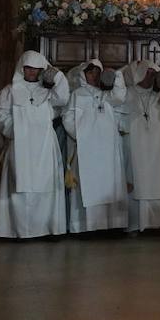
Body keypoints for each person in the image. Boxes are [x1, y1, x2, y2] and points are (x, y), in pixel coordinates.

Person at [0, 51, 70, 239]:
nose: (32, 72)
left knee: (45, 186)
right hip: (20, 146)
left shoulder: (48, 92)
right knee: (19, 186)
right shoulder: (10, 90)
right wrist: (14, 130)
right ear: (21, 68)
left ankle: (46, 228)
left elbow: (63, 99)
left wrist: (57, 76)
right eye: (28, 68)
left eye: (36, 68)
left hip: (44, 146)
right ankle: (18, 230)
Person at [63, 60, 129, 234]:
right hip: (86, 149)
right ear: (83, 74)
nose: (94, 76)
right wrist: (82, 136)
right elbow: (67, 118)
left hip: (107, 149)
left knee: (109, 185)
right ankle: (86, 226)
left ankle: (111, 225)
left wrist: (116, 76)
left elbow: (120, 96)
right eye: (90, 72)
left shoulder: (107, 94)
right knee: (87, 185)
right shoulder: (77, 94)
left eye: (97, 73)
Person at [124, 61, 160, 233]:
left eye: (153, 74)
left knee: (159, 181)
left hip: (157, 145)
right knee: (136, 180)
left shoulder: (158, 96)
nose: (151, 77)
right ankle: (135, 224)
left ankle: (159, 223)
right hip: (136, 145)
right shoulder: (128, 93)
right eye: (148, 73)